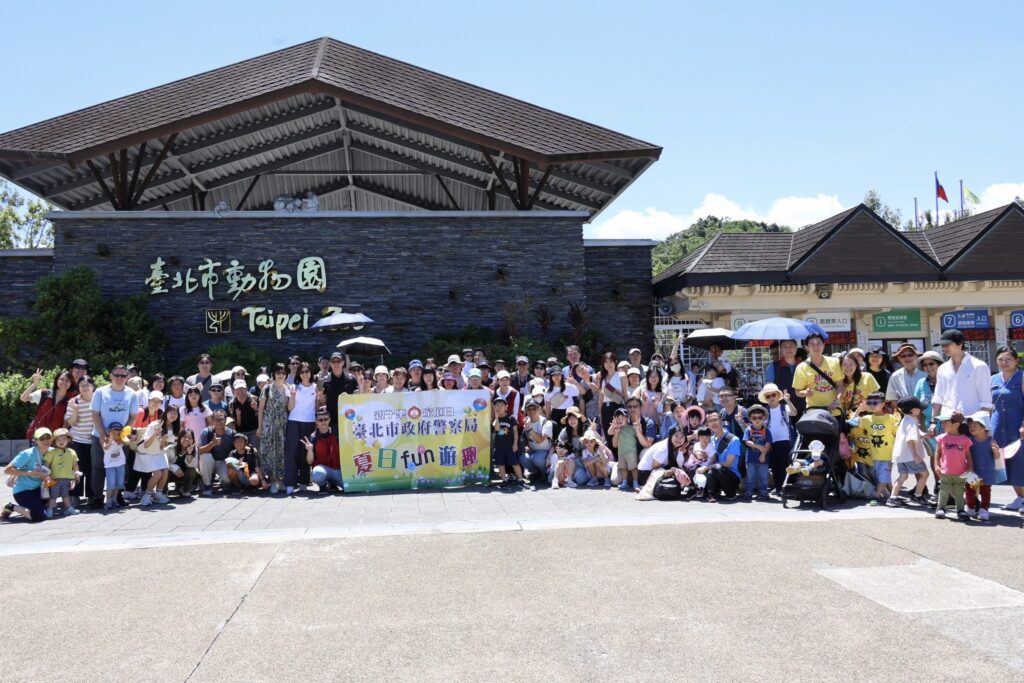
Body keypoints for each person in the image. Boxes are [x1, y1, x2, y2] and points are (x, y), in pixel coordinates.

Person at [89, 365, 139, 509]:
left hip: (120, 439)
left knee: (120, 467)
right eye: (116, 375)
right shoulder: (100, 392)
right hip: (100, 435)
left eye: (123, 376)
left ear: (127, 377)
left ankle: (117, 496)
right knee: (98, 467)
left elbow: (133, 416)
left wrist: (123, 435)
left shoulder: (132, 394)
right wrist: (102, 433)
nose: (119, 378)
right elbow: (95, 414)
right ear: (111, 376)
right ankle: (97, 497)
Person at [931, 329, 993, 426]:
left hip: (971, 424)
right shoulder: (942, 368)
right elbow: (938, 398)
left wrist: (982, 427)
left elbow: (986, 401)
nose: (944, 348)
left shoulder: (979, 366)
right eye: (942, 346)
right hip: (948, 423)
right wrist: (933, 422)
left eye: (947, 345)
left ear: (960, 343)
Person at [847, 391, 898, 505]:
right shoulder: (866, 419)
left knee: (884, 475)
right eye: (869, 402)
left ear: (883, 403)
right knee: (884, 476)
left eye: (875, 402)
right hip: (873, 455)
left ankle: (875, 496)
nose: (872, 405)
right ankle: (894, 494)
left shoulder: (890, 418)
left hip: (887, 454)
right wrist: (860, 409)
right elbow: (851, 422)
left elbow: (897, 434)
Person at [990, 347, 1024, 513]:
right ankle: (1020, 497)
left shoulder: (1022, 377)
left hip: (1017, 424)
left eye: (1008, 359)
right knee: (1006, 461)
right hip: (997, 425)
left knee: (1020, 460)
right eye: (1001, 359)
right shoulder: (993, 379)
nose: (1004, 362)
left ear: (1016, 361)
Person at [2, 428, 52, 522]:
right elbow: (7, 470)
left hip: (40, 488)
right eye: (42, 438)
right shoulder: (27, 453)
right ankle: (11, 507)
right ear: (35, 440)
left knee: (58, 485)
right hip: (23, 491)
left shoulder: (54, 452)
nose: (46, 440)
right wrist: (28, 473)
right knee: (39, 517)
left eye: (48, 437)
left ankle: (41, 505)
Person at [284, 362, 319, 494]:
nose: (305, 374)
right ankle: (290, 484)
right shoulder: (294, 387)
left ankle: (304, 481)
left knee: (306, 452)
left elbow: (317, 406)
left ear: (311, 372)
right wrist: (292, 396)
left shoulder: (316, 387)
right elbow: (290, 408)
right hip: (294, 422)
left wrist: (319, 396)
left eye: (307, 371)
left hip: (309, 422)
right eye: (302, 372)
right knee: (291, 452)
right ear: (299, 373)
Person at [889, 397, 930, 507]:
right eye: (919, 408)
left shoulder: (906, 419)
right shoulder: (911, 422)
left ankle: (893, 498)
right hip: (910, 456)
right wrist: (915, 454)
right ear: (913, 410)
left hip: (900, 455)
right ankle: (917, 496)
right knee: (925, 474)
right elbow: (910, 439)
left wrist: (923, 435)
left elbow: (913, 432)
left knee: (903, 476)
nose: (921, 410)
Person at [257, 363, 291, 493]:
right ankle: (272, 480)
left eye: (283, 372)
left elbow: (289, 407)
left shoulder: (287, 388)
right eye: (278, 372)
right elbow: (261, 409)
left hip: (282, 423)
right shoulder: (267, 388)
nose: (281, 375)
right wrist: (260, 427)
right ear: (273, 374)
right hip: (269, 423)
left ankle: (280, 480)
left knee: (281, 451)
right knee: (269, 451)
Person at [758, 383, 796, 496]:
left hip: (785, 441)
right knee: (774, 466)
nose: (771, 398)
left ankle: (786, 488)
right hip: (771, 443)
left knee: (784, 465)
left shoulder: (785, 407)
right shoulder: (765, 411)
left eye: (773, 395)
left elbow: (794, 412)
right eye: (768, 396)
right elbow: (762, 427)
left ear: (778, 395)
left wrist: (788, 400)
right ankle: (779, 487)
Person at [609, 399, 655, 492]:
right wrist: (614, 427)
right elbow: (611, 437)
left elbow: (647, 444)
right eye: (629, 406)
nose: (632, 408)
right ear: (626, 409)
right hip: (624, 455)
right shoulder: (622, 424)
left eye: (635, 406)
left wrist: (638, 430)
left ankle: (637, 479)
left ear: (641, 407)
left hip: (640, 456)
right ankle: (625, 476)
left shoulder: (648, 422)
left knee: (645, 451)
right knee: (615, 481)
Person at [793, 332, 843, 415]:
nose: (816, 347)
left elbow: (840, 385)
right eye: (812, 344)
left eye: (818, 343)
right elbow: (797, 391)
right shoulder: (801, 367)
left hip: (835, 411)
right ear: (807, 347)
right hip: (813, 412)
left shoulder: (835, 362)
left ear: (823, 345)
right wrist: (805, 393)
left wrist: (836, 402)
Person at [934, 412, 972, 520]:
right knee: (943, 489)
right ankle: (941, 508)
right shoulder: (942, 438)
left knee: (959, 491)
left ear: (956, 425)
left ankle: (960, 509)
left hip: (961, 471)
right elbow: (937, 453)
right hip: (945, 470)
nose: (943, 424)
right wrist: (937, 465)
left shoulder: (964, 439)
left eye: (946, 422)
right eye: (942, 422)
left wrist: (970, 468)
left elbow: (968, 455)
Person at [66, 375, 96, 506]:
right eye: (81, 385)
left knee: (92, 469)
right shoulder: (74, 401)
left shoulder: (99, 399)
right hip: (77, 439)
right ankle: (74, 495)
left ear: (93, 386)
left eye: (87, 385)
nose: (85, 388)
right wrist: (75, 411)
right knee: (77, 468)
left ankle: (92, 495)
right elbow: (71, 422)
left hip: (94, 440)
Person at [701, 412, 742, 502]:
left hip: (731, 475)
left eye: (715, 419)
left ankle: (731, 492)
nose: (713, 423)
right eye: (710, 421)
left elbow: (727, 463)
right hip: (715, 473)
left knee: (716, 468)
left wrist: (708, 467)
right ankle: (712, 492)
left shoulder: (733, 439)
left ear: (722, 421)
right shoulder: (710, 439)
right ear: (707, 424)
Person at [965, 411, 998, 521]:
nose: (971, 428)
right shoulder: (969, 440)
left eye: (975, 425)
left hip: (987, 471)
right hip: (972, 470)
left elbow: (997, 457)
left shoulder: (991, 441)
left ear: (985, 427)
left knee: (985, 491)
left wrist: (996, 451)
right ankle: (970, 507)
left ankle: (984, 509)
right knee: (970, 489)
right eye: (970, 425)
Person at [43, 428, 80, 518]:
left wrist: (77, 474)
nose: (61, 441)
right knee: (53, 496)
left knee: (65, 494)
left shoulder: (72, 452)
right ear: (54, 441)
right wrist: (47, 476)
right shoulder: (52, 452)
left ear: (68, 440)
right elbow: (46, 464)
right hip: (54, 479)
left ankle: (68, 508)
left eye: (64, 439)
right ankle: (50, 509)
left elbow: (75, 464)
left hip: (67, 478)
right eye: (58, 439)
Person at [198, 410, 236, 496]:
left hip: (223, 462)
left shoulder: (231, 433)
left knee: (226, 479)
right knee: (205, 457)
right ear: (212, 420)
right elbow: (199, 451)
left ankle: (225, 484)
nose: (219, 422)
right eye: (216, 419)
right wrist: (212, 444)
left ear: (226, 420)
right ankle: (207, 485)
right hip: (210, 462)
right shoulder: (206, 432)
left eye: (221, 419)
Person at [304, 410, 343, 493]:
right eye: (320, 420)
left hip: (338, 470)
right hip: (322, 469)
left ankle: (332, 483)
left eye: (326, 419)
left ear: (329, 420)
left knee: (350, 488)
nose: (323, 421)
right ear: (316, 422)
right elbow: (309, 461)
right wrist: (310, 451)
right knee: (317, 474)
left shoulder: (337, 432)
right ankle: (322, 485)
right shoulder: (312, 437)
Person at [765, 340, 805, 415]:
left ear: (796, 348)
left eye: (791, 346)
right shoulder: (773, 367)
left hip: (804, 409)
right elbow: (769, 389)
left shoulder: (804, 366)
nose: (788, 349)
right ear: (781, 350)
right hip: (782, 409)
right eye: (785, 347)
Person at [742, 404, 772, 501]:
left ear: (764, 418)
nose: (757, 419)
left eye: (760, 417)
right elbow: (747, 441)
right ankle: (749, 492)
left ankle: (763, 492)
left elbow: (768, 444)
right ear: (750, 419)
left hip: (763, 459)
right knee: (750, 477)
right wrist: (759, 446)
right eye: (754, 418)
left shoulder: (766, 431)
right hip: (751, 458)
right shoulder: (748, 430)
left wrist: (763, 454)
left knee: (763, 477)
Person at [323, 352, 359, 431]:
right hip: (332, 422)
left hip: (349, 421)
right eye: (333, 361)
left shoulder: (351, 379)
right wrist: (319, 395)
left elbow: (358, 400)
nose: (336, 364)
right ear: (330, 363)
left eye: (338, 361)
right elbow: (323, 402)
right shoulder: (325, 381)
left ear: (343, 362)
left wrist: (349, 397)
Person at [491, 397, 522, 486]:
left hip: (510, 445)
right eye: (497, 405)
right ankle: (504, 480)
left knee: (515, 463)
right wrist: (496, 417)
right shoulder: (495, 419)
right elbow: (497, 429)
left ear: (506, 407)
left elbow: (516, 432)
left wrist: (515, 444)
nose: (499, 407)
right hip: (499, 446)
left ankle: (520, 479)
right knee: (501, 464)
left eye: (501, 405)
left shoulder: (511, 418)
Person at [838, 352, 880, 418]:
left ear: (856, 365)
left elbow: (878, 398)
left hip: (867, 417)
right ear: (840, 366)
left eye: (851, 364)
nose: (848, 367)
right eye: (844, 364)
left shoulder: (867, 377)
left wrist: (866, 406)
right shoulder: (839, 382)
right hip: (848, 418)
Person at [595, 352, 627, 437]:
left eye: (611, 361)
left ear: (615, 362)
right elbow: (601, 397)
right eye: (606, 362)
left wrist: (628, 411)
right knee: (607, 433)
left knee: (619, 433)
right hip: (605, 408)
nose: (608, 364)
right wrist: (600, 413)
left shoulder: (621, 375)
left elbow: (625, 395)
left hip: (617, 406)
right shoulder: (602, 377)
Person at [521, 399, 553, 482]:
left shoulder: (546, 422)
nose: (532, 411)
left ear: (539, 409)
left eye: (534, 408)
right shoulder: (526, 421)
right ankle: (536, 473)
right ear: (526, 411)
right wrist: (527, 446)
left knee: (537, 458)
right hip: (533, 451)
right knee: (523, 458)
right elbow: (526, 437)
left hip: (546, 451)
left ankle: (544, 474)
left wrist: (530, 429)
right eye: (529, 409)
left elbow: (540, 440)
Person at [102, 423, 129, 511]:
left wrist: (123, 439)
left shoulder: (121, 440)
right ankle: (108, 501)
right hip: (110, 466)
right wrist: (110, 443)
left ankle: (115, 500)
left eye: (118, 434)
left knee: (118, 484)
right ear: (109, 433)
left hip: (120, 464)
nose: (115, 436)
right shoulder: (106, 440)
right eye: (113, 433)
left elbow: (128, 442)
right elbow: (105, 448)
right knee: (111, 485)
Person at [166, 428, 200, 497]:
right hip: (169, 475)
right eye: (184, 437)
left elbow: (192, 465)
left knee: (192, 471)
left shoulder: (194, 449)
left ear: (193, 440)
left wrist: (189, 453)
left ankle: (184, 489)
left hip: (183, 475)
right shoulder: (170, 448)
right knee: (164, 471)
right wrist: (175, 468)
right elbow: (163, 463)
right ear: (179, 438)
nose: (187, 439)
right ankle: (163, 490)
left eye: (190, 438)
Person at [229, 379, 260, 446]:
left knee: (256, 453)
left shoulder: (255, 399)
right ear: (233, 390)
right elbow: (234, 424)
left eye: (242, 388)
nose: (240, 391)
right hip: (240, 433)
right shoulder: (231, 404)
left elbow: (262, 416)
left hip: (254, 432)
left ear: (246, 389)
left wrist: (256, 409)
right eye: (237, 389)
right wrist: (238, 417)